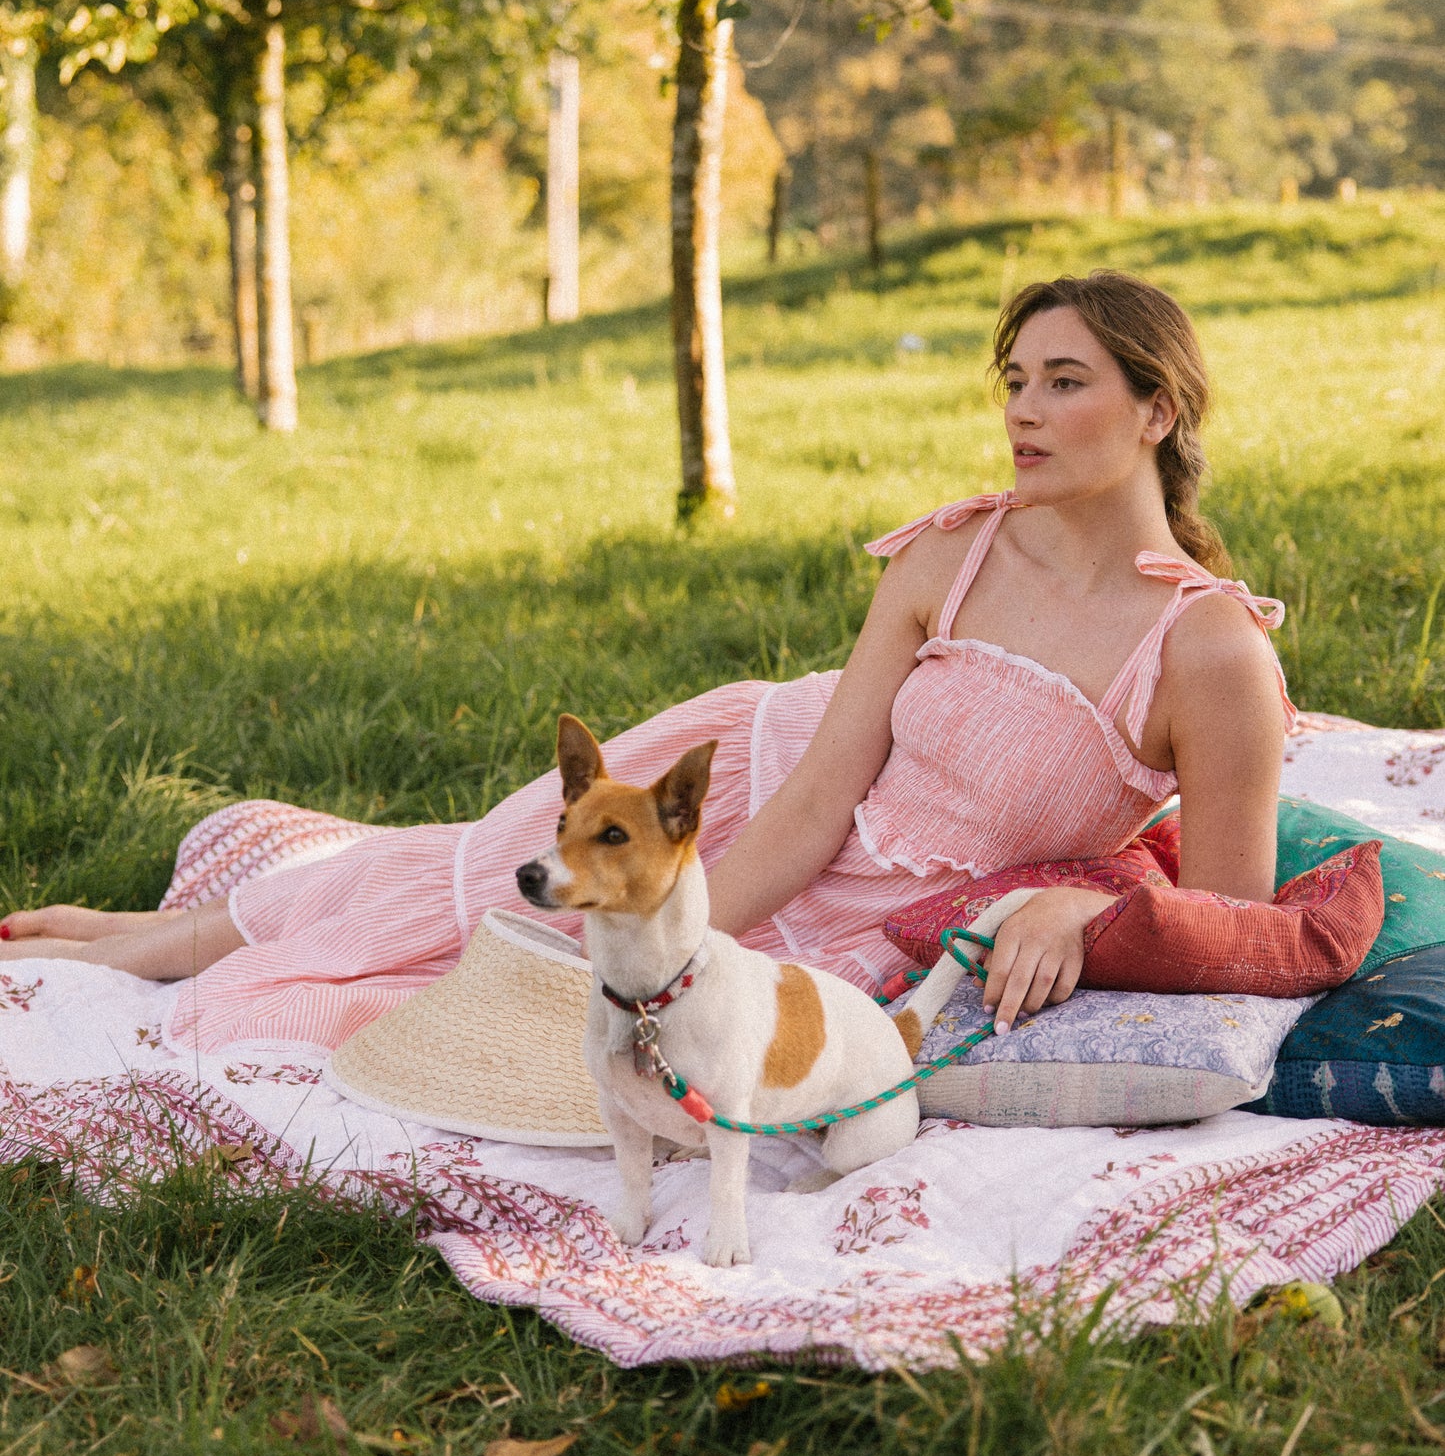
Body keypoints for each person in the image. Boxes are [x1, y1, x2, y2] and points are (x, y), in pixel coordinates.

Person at [2, 271, 1294, 1052]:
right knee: (466, 892)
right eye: (1012, 379)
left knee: (461, 1005)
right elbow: (813, 799)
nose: (1019, 411)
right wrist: (676, 933)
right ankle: (148, 943)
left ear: (1156, 409)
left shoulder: (1207, 654)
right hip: (747, 784)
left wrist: (1082, 905)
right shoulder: (947, 555)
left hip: (865, 923)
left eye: (1062, 383)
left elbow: (1236, 919)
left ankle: (169, 947)